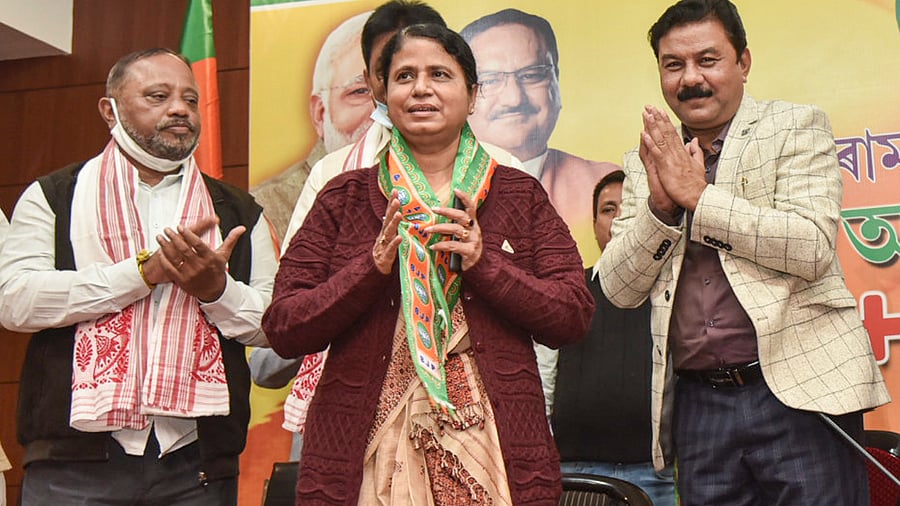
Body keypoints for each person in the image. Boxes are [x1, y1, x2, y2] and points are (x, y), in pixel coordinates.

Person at [262, 23, 593, 504]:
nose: (421, 88)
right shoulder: (343, 196)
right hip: (364, 451)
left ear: (472, 94)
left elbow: (573, 315)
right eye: (405, 76)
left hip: (493, 447)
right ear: (382, 95)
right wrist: (369, 269)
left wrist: (484, 264)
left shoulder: (517, 193)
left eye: (440, 74)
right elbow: (284, 326)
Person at [597, 1, 890, 504]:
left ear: (744, 62)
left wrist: (699, 198)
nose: (691, 78)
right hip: (699, 404)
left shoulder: (795, 127)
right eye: (674, 65)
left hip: (800, 394)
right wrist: (662, 209)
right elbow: (618, 289)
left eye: (708, 60)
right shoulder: (646, 163)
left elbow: (811, 247)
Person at [0, 48, 277, 505]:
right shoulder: (55, 196)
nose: (179, 109)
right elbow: (15, 302)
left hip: (197, 464)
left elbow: (275, 326)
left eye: (190, 99)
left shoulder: (238, 211)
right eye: (158, 96)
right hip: (73, 463)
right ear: (110, 110)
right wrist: (140, 274)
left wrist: (217, 291)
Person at [249, 0, 451, 462]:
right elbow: (295, 300)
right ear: (374, 80)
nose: (415, 87)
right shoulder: (331, 174)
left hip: (455, 403)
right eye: (394, 72)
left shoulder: (496, 168)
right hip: (340, 395)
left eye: (432, 72)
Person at [540, 171, 676, 506]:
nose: (617, 219)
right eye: (608, 209)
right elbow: (543, 378)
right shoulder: (569, 291)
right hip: (574, 474)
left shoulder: (672, 293)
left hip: (654, 474)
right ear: (594, 224)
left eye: (628, 208)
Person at [460, 9, 619, 240]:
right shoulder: (432, 185)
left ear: (556, 80)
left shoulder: (606, 185)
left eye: (531, 75)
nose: (514, 98)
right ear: (465, 93)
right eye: (491, 80)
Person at [250, 12, 374, 242]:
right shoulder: (266, 206)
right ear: (320, 112)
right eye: (359, 92)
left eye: (395, 86)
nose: (379, 111)